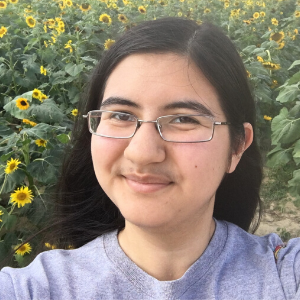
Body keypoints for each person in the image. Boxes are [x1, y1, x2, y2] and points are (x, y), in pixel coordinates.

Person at [0, 17, 299, 300]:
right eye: (120, 115)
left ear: (236, 148)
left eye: (183, 119)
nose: (142, 153)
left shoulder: (285, 276)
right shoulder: (34, 289)